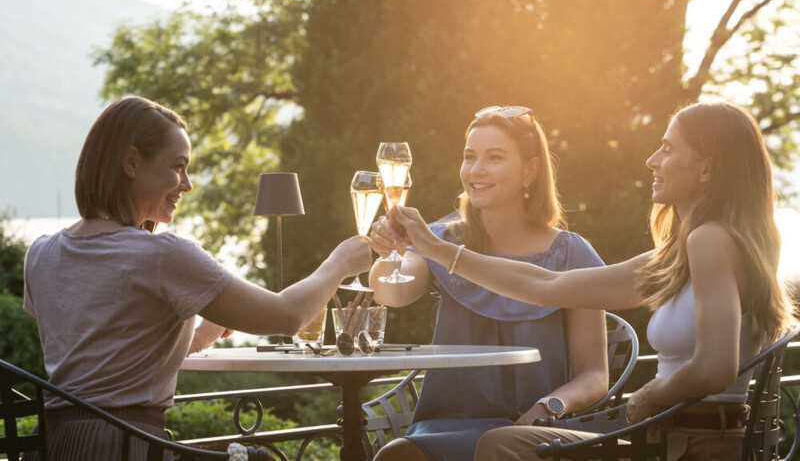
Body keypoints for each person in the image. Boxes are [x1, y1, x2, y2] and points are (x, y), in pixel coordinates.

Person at [388, 101, 797, 461]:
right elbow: (545, 286)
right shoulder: (684, 252)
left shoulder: (711, 240)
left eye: (668, 149)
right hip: (669, 433)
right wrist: (435, 249)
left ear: (707, 167)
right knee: (501, 444)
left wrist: (650, 395)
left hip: (695, 444)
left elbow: (716, 368)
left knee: (504, 445)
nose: (652, 160)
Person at [22, 96, 372, 460]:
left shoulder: (42, 253)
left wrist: (201, 333)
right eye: (178, 167)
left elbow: (104, 351)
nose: (186, 184)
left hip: (51, 447)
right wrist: (339, 263)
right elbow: (286, 316)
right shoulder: (161, 255)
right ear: (131, 162)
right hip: (126, 449)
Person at [367, 106, 609, 461]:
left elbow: (595, 375)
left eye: (494, 158)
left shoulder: (571, 253)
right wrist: (388, 249)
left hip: (533, 431)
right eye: (469, 157)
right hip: (446, 427)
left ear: (530, 171)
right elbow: (391, 293)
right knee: (395, 456)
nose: (476, 170)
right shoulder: (439, 239)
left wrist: (550, 406)